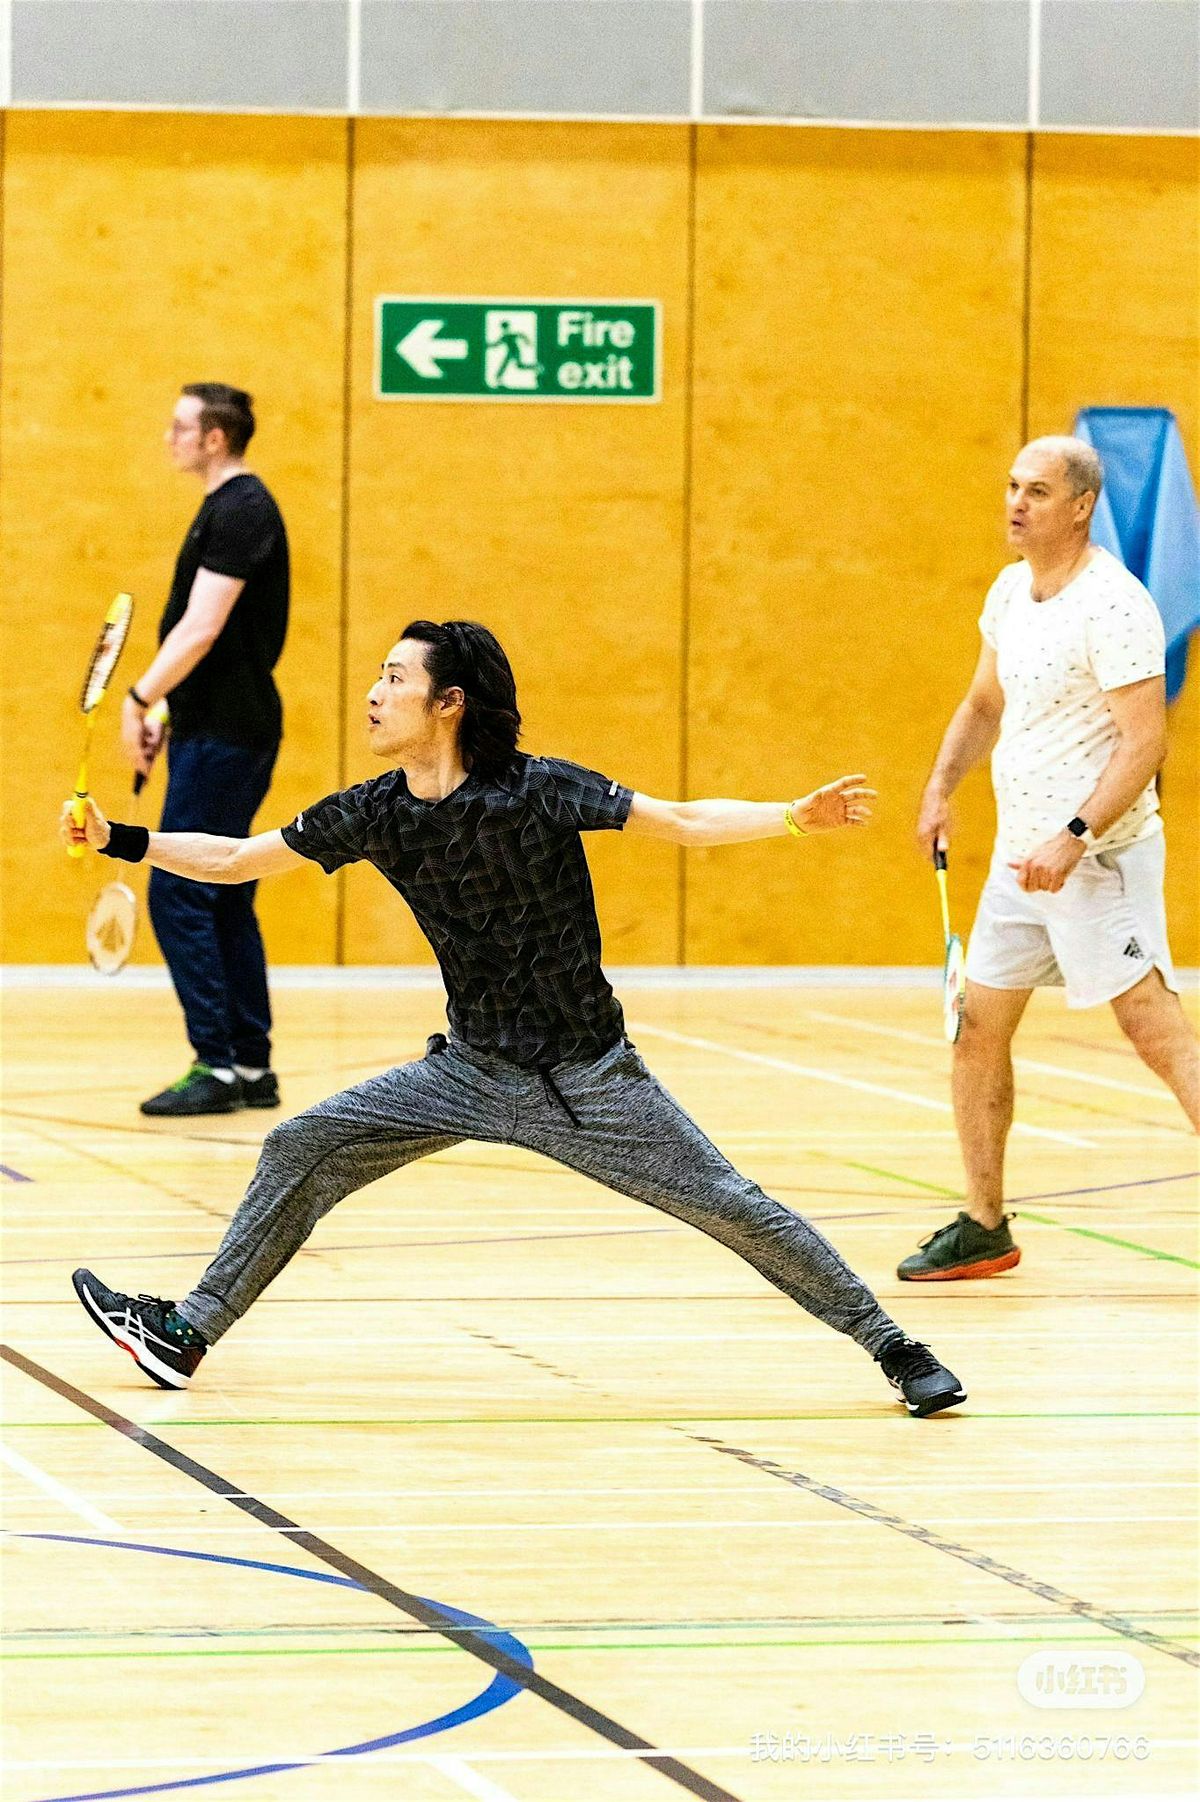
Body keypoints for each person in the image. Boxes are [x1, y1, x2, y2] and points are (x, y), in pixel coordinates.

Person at [63, 619, 965, 1419]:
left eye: (394, 679)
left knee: (733, 1207)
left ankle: (896, 1349)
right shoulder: (375, 811)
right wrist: (119, 840)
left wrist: (792, 818)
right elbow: (232, 859)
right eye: (378, 677)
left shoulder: (539, 790)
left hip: (589, 1082)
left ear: (448, 703)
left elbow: (684, 821)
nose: (373, 693)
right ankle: (184, 1334)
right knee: (304, 1145)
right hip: (469, 1072)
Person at [903, 436, 1198, 1282]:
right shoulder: (1010, 592)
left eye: (1037, 490)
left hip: (1095, 862)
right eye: (1012, 486)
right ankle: (984, 1224)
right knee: (976, 1031)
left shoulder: (1116, 605)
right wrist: (940, 787)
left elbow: (1145, 744)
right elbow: (983, 702)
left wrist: (1073, 836)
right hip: (1018, 866)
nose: (1016, 502)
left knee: (1158, 1036)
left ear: (1080, 506)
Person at [122, 383, 289, 1118]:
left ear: (215, 438)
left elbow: (202, 628)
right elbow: (209, 642)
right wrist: (169, 707)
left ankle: (215, 1065)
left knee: (181, 887)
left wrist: (138, 698)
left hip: (229, 731)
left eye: (180, 425)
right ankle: (249, 1064)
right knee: (222, 888)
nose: (169, 436)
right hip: (214, 724)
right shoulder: (225, 507)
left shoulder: (244, 508)